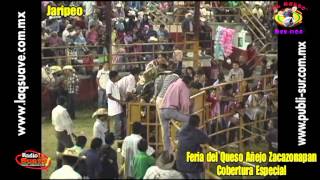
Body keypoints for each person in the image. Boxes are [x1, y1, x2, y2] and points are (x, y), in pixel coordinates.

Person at [160, 75, 193, 152]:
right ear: (189, 82)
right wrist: (186, 113)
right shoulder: (184, 87)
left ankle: (167, 151)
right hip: (171, 110)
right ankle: (179, 139)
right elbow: (185, 104)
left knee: (166, 133)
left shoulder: (173, 83)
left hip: (162, 110)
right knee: (187, 119)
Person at [176, 115, 210, 179]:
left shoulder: (182, 131)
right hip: (192, 167)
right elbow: (207, 140)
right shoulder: (196, 132)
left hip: (180, 164)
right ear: (198, 123)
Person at [52, 96, 74, 169]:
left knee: (60, 149)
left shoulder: (54, 110)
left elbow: (53, 122)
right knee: (71, 149)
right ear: (64, 103)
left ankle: (58, 165)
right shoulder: (63, 110)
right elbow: (67, 123)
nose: (66, 103)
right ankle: (70, 166)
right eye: (66, 102)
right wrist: (72, 134)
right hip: (63, 132)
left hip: (57, 131)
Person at [106, 71, 124, 140]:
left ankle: (119, 134)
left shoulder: (115, 83)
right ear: (113, 77)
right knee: (117, 122)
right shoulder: (109, 84)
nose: (118, 77)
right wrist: (118, 100)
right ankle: (117, 136)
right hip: (114, 107)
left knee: (120, 121)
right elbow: (109, 95)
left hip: (118, 106)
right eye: (117, 76)